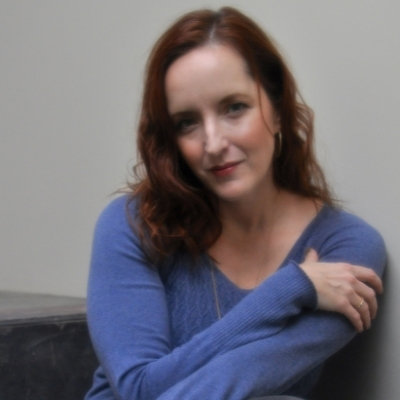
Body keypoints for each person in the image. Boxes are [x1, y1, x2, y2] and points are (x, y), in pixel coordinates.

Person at [84, 7, 386, 400]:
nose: (213, 144)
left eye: (234, 108)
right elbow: (138, 390)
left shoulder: (344, 249)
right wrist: (290, 289)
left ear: (277, 110)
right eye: (187, 122)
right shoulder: (132, 226)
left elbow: (238, 378)